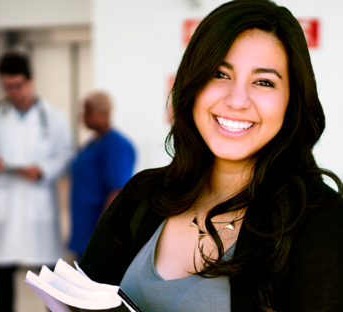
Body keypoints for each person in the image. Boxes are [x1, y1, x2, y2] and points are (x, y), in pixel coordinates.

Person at [78, 1, 343, 311]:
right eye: (219, 74)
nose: (237, 100)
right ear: (193, 82)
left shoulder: (322, 221)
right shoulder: (141, 196)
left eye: (264, 82)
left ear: (292, 100)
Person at [0, 51, 74, 312]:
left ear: (31, 81)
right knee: (3, 272)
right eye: (6, 87)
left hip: (37, 202)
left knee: (48, 278)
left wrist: (42, 170)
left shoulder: (53, 116)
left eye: (17, 86)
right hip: (4, 207)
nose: (12, 92)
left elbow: (67, 154)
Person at [69, 92, 135, 260]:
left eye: (87, 111)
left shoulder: (115, 145)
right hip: (83, 229)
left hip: (96, 232)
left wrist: (102, 233)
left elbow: (117, 190)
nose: (81, 116)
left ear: (101, 113)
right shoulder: (92, 144)